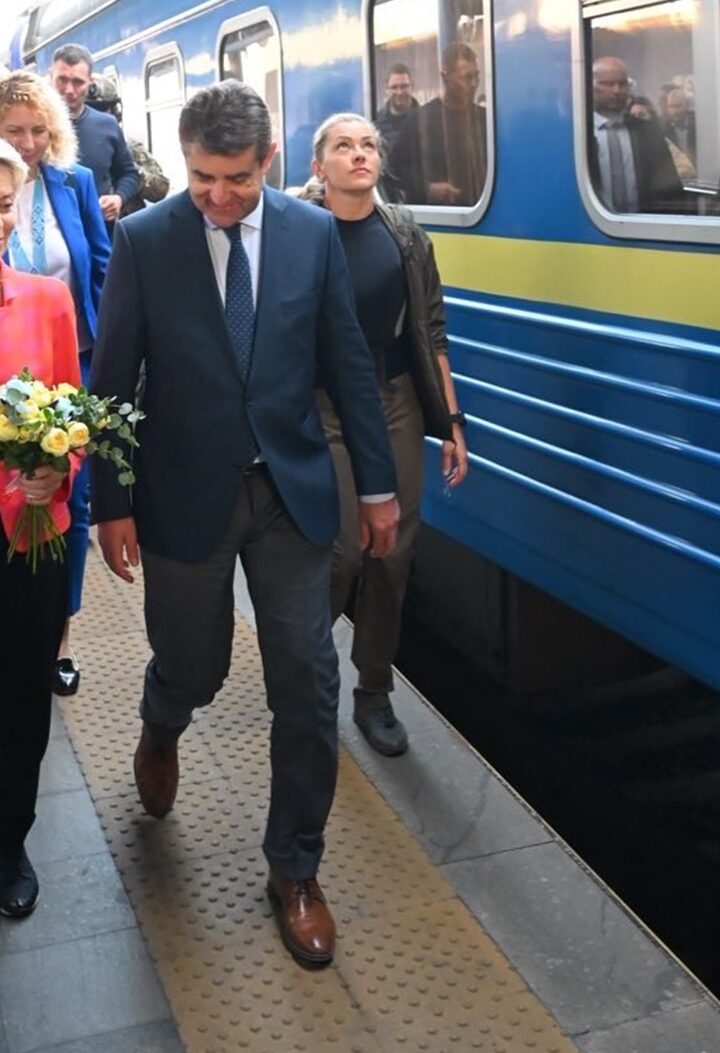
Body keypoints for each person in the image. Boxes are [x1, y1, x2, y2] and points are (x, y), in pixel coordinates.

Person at [89, 81, 399, 967]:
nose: (217, 196)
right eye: (201, 177)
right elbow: (112, 377)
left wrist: (376, 487)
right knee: (197, 665)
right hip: (183, 490)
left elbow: (348, 362)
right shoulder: (146, 239)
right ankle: (162, 719)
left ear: (269, 160)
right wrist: (112, 502)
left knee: (307, 679)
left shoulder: (310, 235)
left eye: (235, 178)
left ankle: (295, 867)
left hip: (288, 492)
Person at [300, 114, 468, 756]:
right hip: (323, 407)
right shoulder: (298, 233)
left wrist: (451, 421)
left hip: (394, 401)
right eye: (344, 146)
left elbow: (431, 333)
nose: (359, 155)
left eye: (368, 145)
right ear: (319, 166)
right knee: (342, 552)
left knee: (392, 554)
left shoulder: (406, 236)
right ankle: (305, 675)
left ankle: (373, 690)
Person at [0, 71, 111, 697]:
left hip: (69, 357)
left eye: (39, 129)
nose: (29, 142)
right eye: (15, 130)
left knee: (71, 497)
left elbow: (100, 268)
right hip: (7, 353)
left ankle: (58, 634)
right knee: (13, 493)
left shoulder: (76, 183)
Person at [0, 138, 82, 917]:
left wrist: (59, 469)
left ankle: (8, 839)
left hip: (27, 535)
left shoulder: (47, 300)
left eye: (2, 205)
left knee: (23, 694)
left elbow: (73, 415)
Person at [50, 43, 140, 226]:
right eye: (62, 80)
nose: (69, 90)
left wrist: (118, 198)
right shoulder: (33, 127)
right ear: (50, 76)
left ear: (90, 82)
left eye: (78, 82)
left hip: (98, 232)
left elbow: (129, 174)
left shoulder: (107, 125)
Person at [390, 43, 486, 206]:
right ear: (445, 77)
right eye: (466, 77)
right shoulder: (419, 121)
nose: (473, 84)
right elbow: (395, 172)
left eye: (476, 76)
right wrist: (427, 189)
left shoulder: (483, 120)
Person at [590, 56, 683, 213]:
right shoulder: (578, 136)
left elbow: (670, 190)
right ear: (590, 86)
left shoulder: (647, 132)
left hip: (642, 223)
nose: (616, 90)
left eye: (622, 84)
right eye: (607, 84)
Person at [85, 74, 170, 217]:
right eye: (91, 110)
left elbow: (160, 190)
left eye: (102, 109)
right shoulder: (68, 152)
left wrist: (131, 171)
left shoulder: (130, 149)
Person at [375, 63, 418, 153]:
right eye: (394, 87)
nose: (399, 92)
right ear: (387, 90)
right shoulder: (376, 123)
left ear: (412, 87)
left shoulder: (425, 120)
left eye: (404, 86)